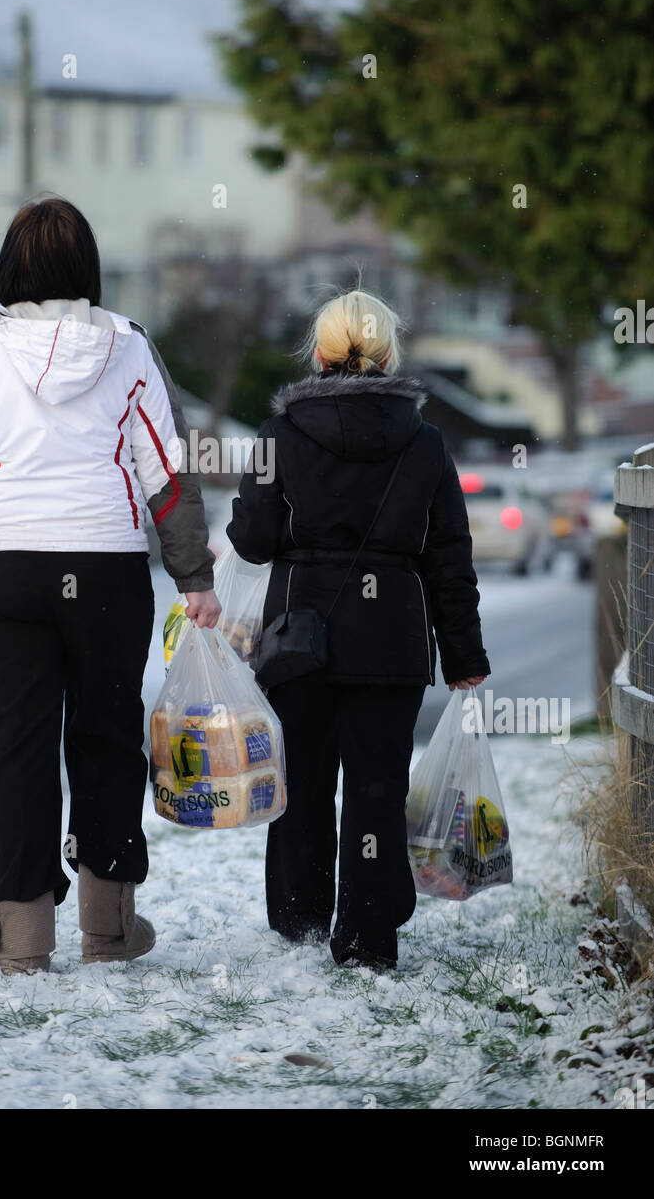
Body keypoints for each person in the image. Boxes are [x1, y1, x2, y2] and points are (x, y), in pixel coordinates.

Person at [0, 196, 220, 975]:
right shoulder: (128, 349)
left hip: (0, 574)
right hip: (107, 569)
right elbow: (166, 472)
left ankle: (21, 943)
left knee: (20, 751)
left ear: (10, 267)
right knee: (107, 739)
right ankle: (108, 933)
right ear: (87, 268)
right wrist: (195, 577)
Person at [226, 288, 489, 971]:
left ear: (318, 351)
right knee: (376, 788)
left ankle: (300, 917)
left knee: (303, 784)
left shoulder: (278, 436)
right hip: (391, 642)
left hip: (298, 639)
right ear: (386, 353)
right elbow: (448, 557)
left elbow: (251, 543)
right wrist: (463, 651)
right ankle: (368, 937)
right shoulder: (424, 442)